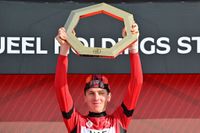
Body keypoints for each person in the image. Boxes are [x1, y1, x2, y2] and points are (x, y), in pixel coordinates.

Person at [55, 23, 143, 133]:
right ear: (85, 97)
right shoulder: (76, 122)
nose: (96, 98)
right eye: (91, 93)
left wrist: (133, 46)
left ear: (109, 96)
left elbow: (137, 83)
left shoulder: (119, 120)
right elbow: (60, 88)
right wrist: (64, 49)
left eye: (101, 93)